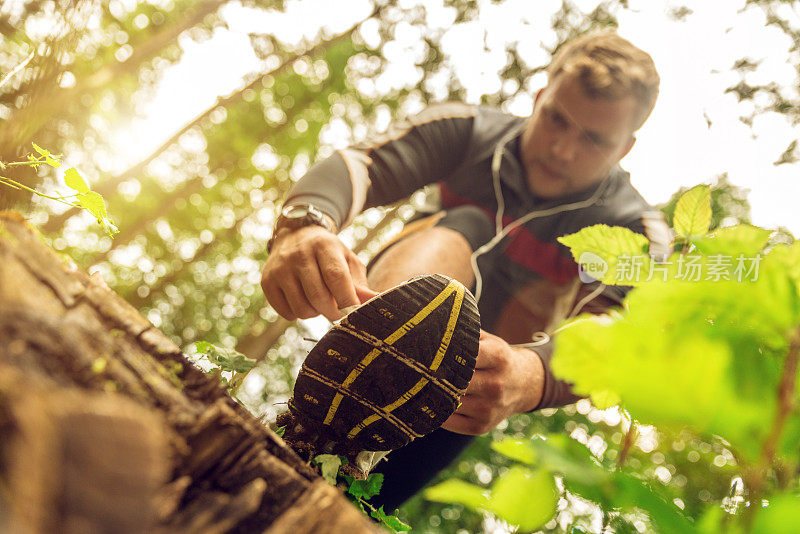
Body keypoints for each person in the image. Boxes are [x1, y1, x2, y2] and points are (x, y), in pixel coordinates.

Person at [260, 31, 670, 510]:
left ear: (625, 148)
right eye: (556, 119)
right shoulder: (470, 130)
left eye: (594, 140)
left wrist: (530, 376)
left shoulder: (636, 229)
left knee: (349, 514)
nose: (562, 149)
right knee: (462, 226)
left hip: (475, 394)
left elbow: (622, 329)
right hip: (367, 336)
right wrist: (303, 225)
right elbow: (363, 164)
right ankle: (372, 362)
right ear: (539, 98)